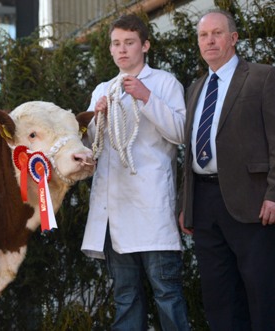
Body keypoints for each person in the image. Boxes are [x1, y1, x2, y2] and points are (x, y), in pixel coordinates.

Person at [81, 14, 189, 330]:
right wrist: (94, 119)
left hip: (152, 209)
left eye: (129, 43)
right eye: (116, 43)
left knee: (167, 294)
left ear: (145, 45)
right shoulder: (103, 88)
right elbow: (91, 149)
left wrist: (146, 97)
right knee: (125, 297)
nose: (122, 50)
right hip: (116, 211)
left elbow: (182, 133)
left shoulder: (165, 82)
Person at [178, 9, 275, 330]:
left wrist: (274, 194)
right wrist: (186, 204)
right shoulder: (195, 89)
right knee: (218, 295)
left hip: (252, 202)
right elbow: (189, 149)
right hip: (205, 205)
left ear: (233, 38)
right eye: (204, 36)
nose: (210, 41)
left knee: (262, 292)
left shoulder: (263, 77)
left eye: (217, 33)